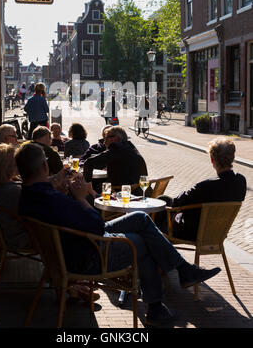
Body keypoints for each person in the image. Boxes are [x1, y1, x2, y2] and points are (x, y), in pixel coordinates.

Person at [16, 142, 221, 326]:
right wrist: (81, 198)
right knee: (143, 242)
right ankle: (157, 305)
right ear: (44, 166)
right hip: (91, 255)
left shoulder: (29, 196)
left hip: (71, 249)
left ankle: (182, 271)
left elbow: (66, 218)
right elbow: (96, 225)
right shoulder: (53, 199)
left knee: (140, 217)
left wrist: (59, 189)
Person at [155, 137, 247, 240]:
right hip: (218, 234)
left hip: (192, 233)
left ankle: (158, 246)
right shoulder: (241, 182)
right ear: (232, 157)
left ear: (212, 160)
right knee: (165, 199)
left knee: (162, 202)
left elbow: (178, 202)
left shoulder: (205, 187)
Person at [0, 143, 31, 249]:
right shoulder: (11, 191)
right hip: (24, 237)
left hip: (11, 233)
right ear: (5, 168)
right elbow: (36, 212)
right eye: (15, 163)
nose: (18, 164)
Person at [83, 126, 147, 188]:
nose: (104, 142)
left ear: (114, 138)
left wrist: (88, 185)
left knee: (90, 189)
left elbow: (88, 163)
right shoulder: (130, 147)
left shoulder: (117, 148)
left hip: (123, 191)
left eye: (105, 138)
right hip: (138, 189)